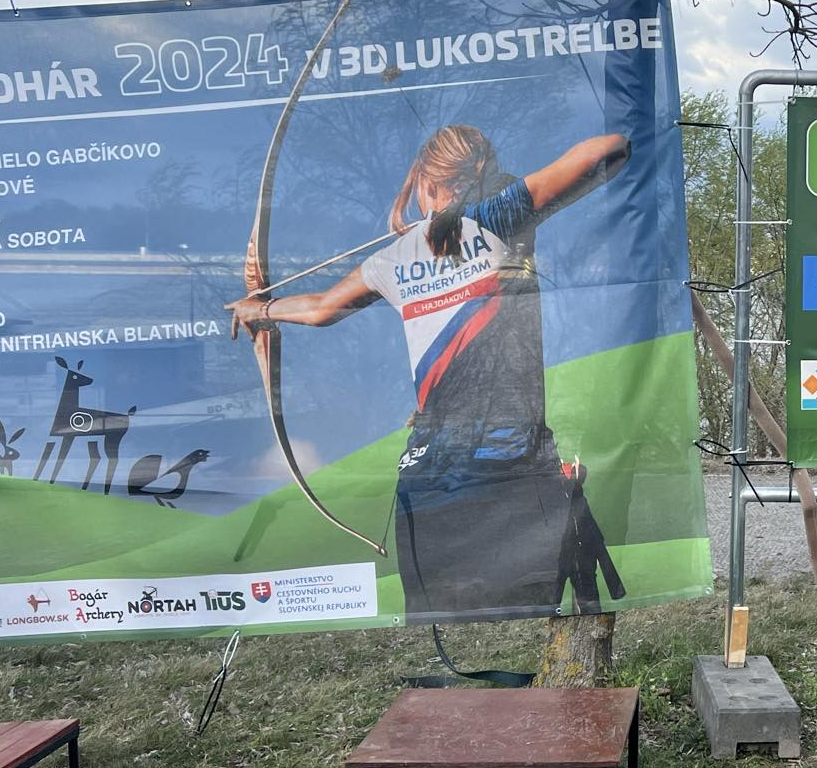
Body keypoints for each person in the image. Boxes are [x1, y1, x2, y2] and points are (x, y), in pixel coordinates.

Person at [228, 124, 628, 619]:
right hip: (509, 468)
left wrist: (260, 310)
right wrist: (501, 192)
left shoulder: (397, 256)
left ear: (424, 179)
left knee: (444, 621)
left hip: (429, 479)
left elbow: (320, 309)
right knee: (526, 616)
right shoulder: (498, 218)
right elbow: (610, 149)